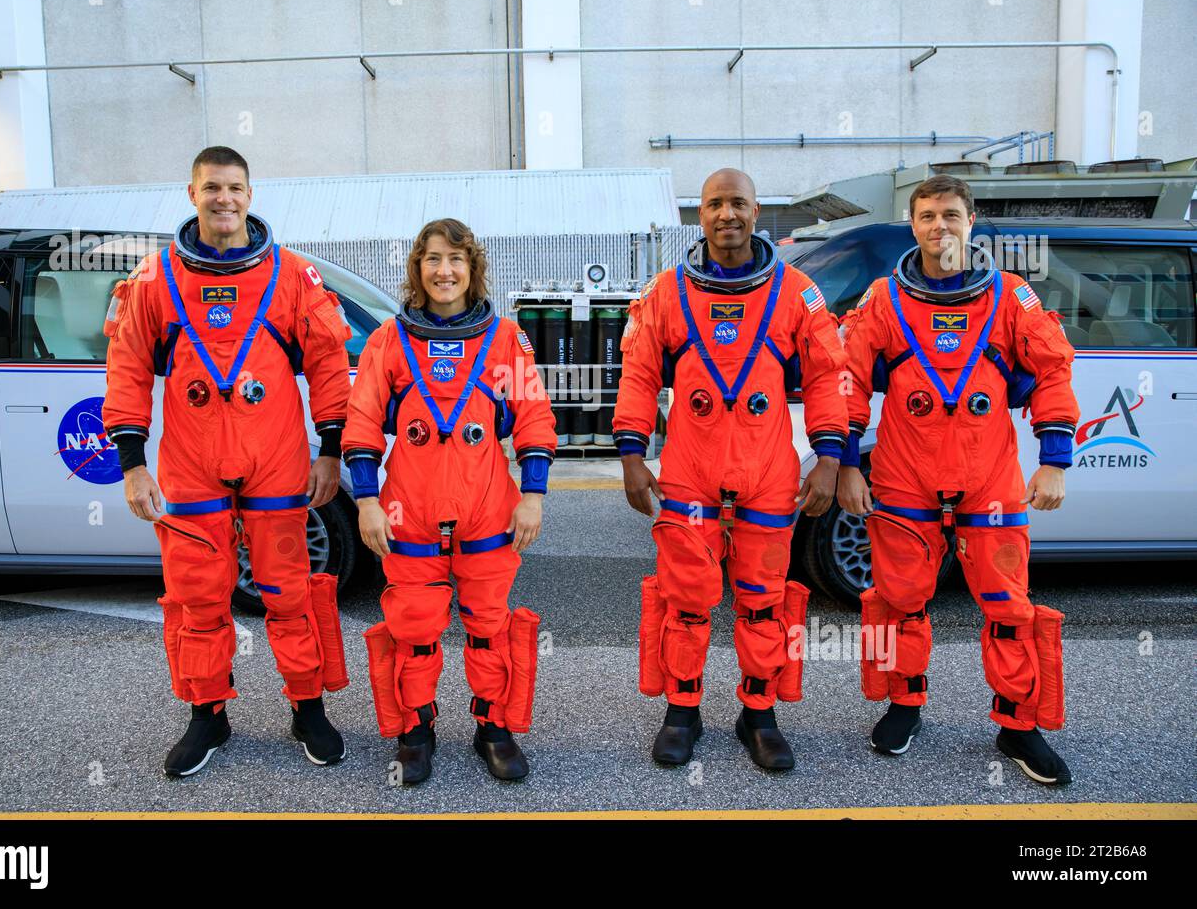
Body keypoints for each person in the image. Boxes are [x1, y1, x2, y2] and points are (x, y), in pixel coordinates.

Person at [103, 146, 354, 777]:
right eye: (212, 187)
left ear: (251, 193)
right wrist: (133, 463)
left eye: (235, 187)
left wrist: (330, 452)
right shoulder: (155, 280)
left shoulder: (293, 276)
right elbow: (128, 369)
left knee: (289, 593)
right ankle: (207, 714)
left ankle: (307, 705)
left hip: (275, 459)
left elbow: (328, 364)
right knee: (197, 598)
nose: (225, 199)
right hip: (190, 465)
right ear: (192, 194)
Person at [836, 174, 1078, 785]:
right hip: (905, 477)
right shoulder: (883, 300)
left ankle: (1018, 723)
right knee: (899, 601)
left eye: (949, 214)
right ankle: (905, 704)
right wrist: (842, 463)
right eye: (926, 216)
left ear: (970, 222)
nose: (938, 226)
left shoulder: (1010, 297)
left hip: (988, 478)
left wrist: (1053, 458)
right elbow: (847, 380)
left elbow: (1053, 370)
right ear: (911, 225)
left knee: (1007, 604)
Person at [613, 169, 850, 770]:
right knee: (687, 600)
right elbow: (639, 376)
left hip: (768, 470)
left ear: (756, 210)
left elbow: (827, 375)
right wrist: (633, 456)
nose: (727, 214)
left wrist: (829, 459)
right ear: (700, 214)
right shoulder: (666, 292)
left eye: (737, 203)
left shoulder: (797, 291)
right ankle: (682, 709)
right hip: (690, 469)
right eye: (715, 204)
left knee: (763, 601)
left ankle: (760, 713)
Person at [343, 218, 555, 785]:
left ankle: (494, 727)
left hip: (487, 515)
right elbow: (361, 422)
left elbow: (534, 418)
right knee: (414, 632)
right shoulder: (390, 340)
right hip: (407, 514)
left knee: (489, 627)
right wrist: (366, 501)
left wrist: (532, 496)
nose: (445, 271)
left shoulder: (505, 339)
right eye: (433, 259)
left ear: (473, 269)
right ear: (418, 268)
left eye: (456, 260)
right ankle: (416, 731)